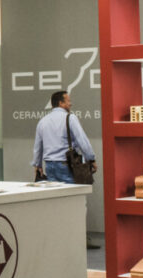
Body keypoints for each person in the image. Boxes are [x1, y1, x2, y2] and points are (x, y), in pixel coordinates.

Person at [32, 90, 100, 248]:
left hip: (50, 166)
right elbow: (82, 140)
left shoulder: (43, 121)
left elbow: (37, 147)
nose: (71, 104)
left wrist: (37, 166)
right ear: (61, 103)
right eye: (68, 101)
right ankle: (78, 238)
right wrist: (91, 158)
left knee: (56, 203)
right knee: (76, 202)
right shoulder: (70, 118)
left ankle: (59, 237)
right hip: (67, 166)